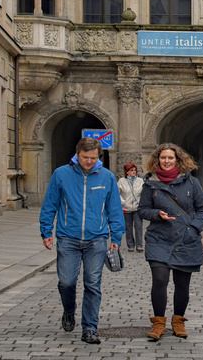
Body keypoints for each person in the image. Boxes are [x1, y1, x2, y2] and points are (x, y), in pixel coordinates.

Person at [38, 137, 124, 344]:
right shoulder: (61, 174)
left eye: (93, 158)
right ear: (77, 154)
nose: (89, 161)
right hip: (68, 236)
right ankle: (69, 310)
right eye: (85, 157)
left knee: (93, 284)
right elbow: (50, 204)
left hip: (97, 238)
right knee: (66, 282)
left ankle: (90, 328)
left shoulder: (107, 177)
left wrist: (117, 236)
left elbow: (114, 208)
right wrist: (46, 230)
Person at [138, 143, 203, 341]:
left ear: (178, 160)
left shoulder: (192, 183)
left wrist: (194, 228)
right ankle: (158, 323)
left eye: (170, 158)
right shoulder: (150, 184)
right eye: (163, 158)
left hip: (186, 238)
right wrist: (156, 214)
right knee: (160, 279)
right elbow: (142, 209)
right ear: (157, 160)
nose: (167, 161)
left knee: (182, 283)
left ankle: (178, 322)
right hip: (159, 238)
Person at [118, 161, 145, 252]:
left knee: (138, 226)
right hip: (126, 207)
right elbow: (117, 194)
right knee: (128, 227)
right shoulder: (121, 181)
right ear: (127, 172)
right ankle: (130, 245)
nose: (134, 172)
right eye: (131, 170)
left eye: (134, 170)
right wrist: (123, 202)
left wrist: (141, 203)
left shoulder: (140, 181)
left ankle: (139, 244)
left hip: (137, 208)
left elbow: (144, 194)